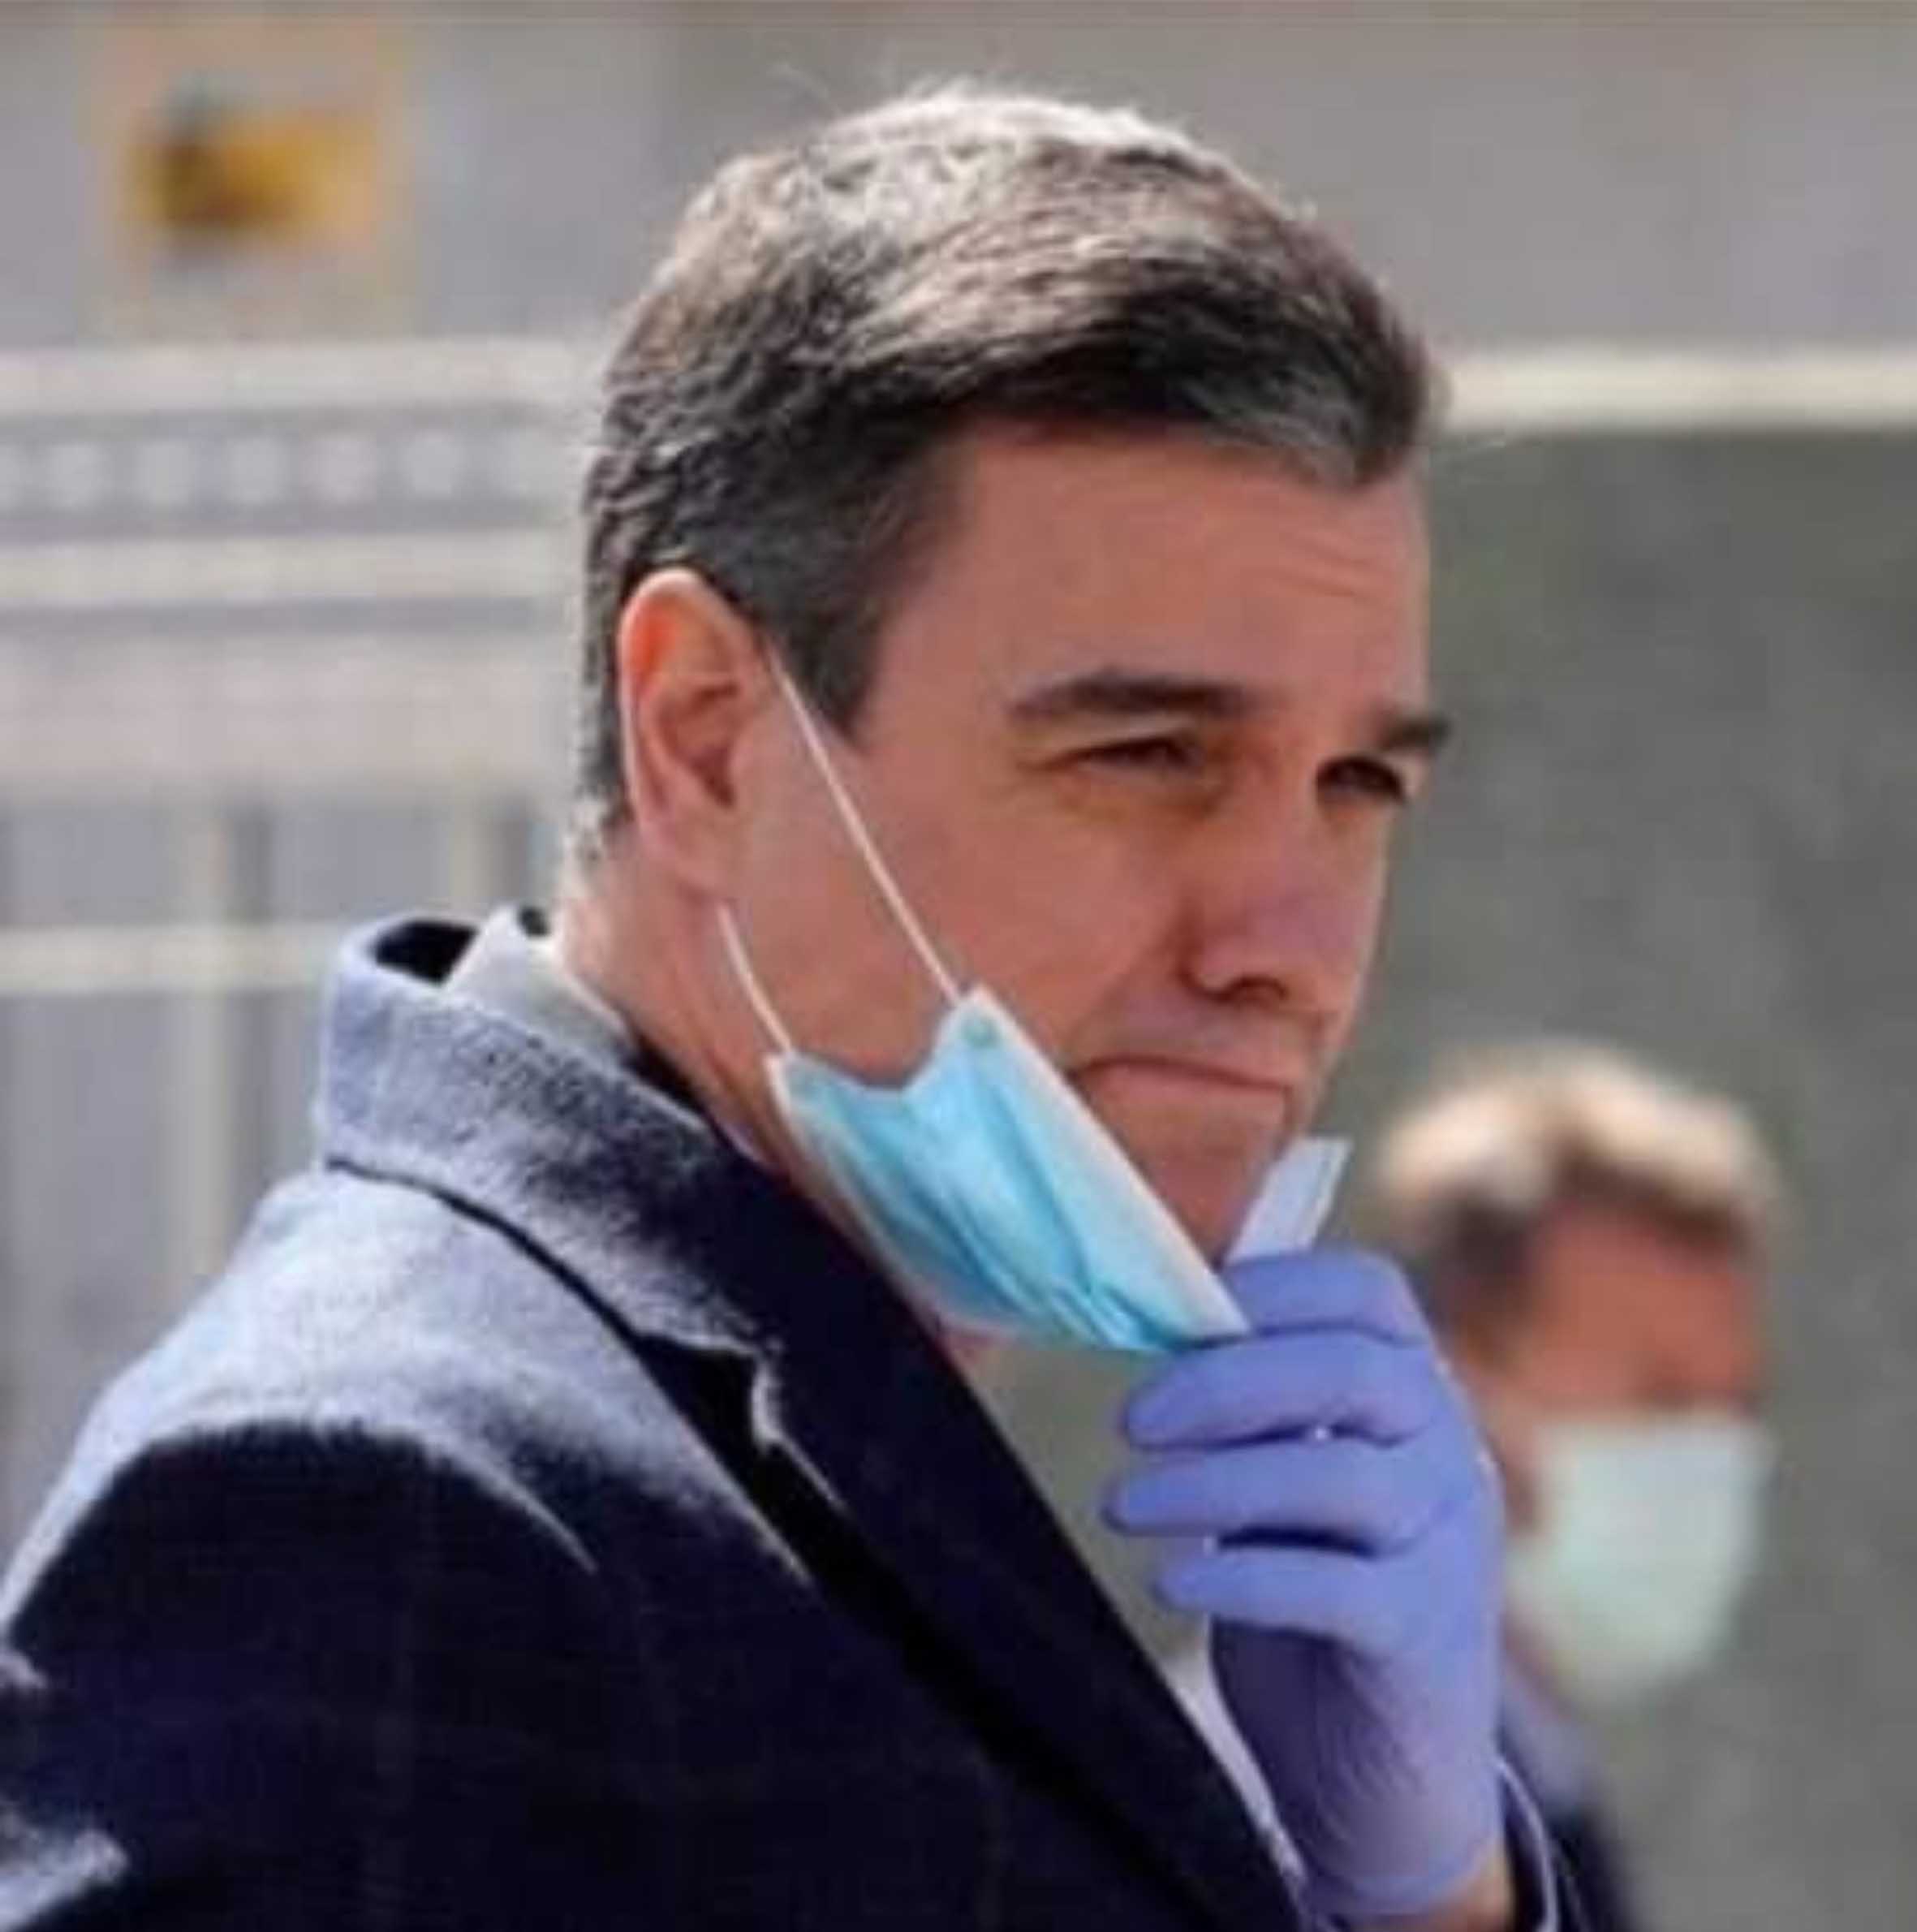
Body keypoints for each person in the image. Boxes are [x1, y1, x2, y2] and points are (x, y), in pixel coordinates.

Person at [0, 89, 1568, 1930]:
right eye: (1147, 754)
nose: (1284, 941)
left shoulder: (769, 1402)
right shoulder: (379, 1501)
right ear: (706, 738)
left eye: (1358, 785)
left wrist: (1437, 1904)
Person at [1367, 1041, 1780, 1932]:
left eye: (1739, 1406)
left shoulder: (1533, 1775)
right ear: (1456, 1384)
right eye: (1662, 1399)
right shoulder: (1320, 1789)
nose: (1713, 1455)